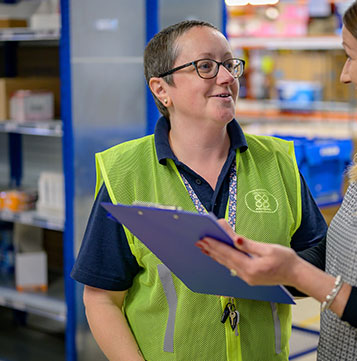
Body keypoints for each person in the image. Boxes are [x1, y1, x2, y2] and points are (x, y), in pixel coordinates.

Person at [71, 20, 327, 361]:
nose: (227, 78)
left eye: (229, 64)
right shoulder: (126, 173)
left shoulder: (277, 161)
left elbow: (320, 257)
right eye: (205, 66)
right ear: (162, 89)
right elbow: (101, 298)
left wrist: (274, 271)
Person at [197, 1, 357, 360]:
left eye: (351, 57)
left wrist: (298, 273)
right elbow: (338, 252)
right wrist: (265, 263)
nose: (344, 75)